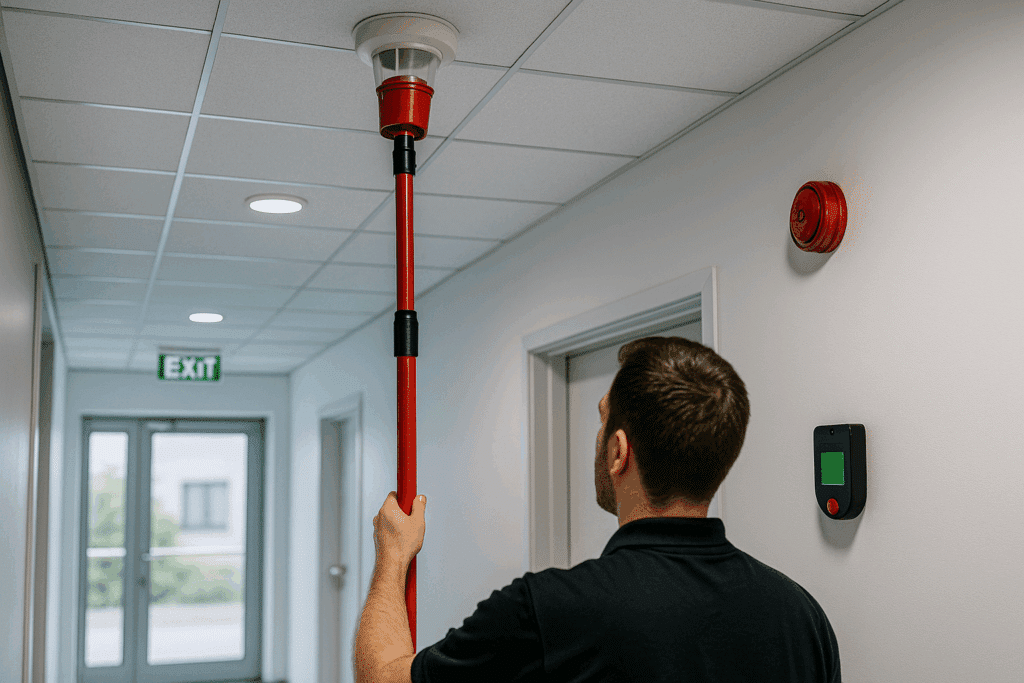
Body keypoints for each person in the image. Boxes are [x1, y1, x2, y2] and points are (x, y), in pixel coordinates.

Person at [356, 336, 841, 683]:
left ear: (618, 452)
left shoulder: (548, 611)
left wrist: (392, 558)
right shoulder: (802, 618)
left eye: (603, 420)